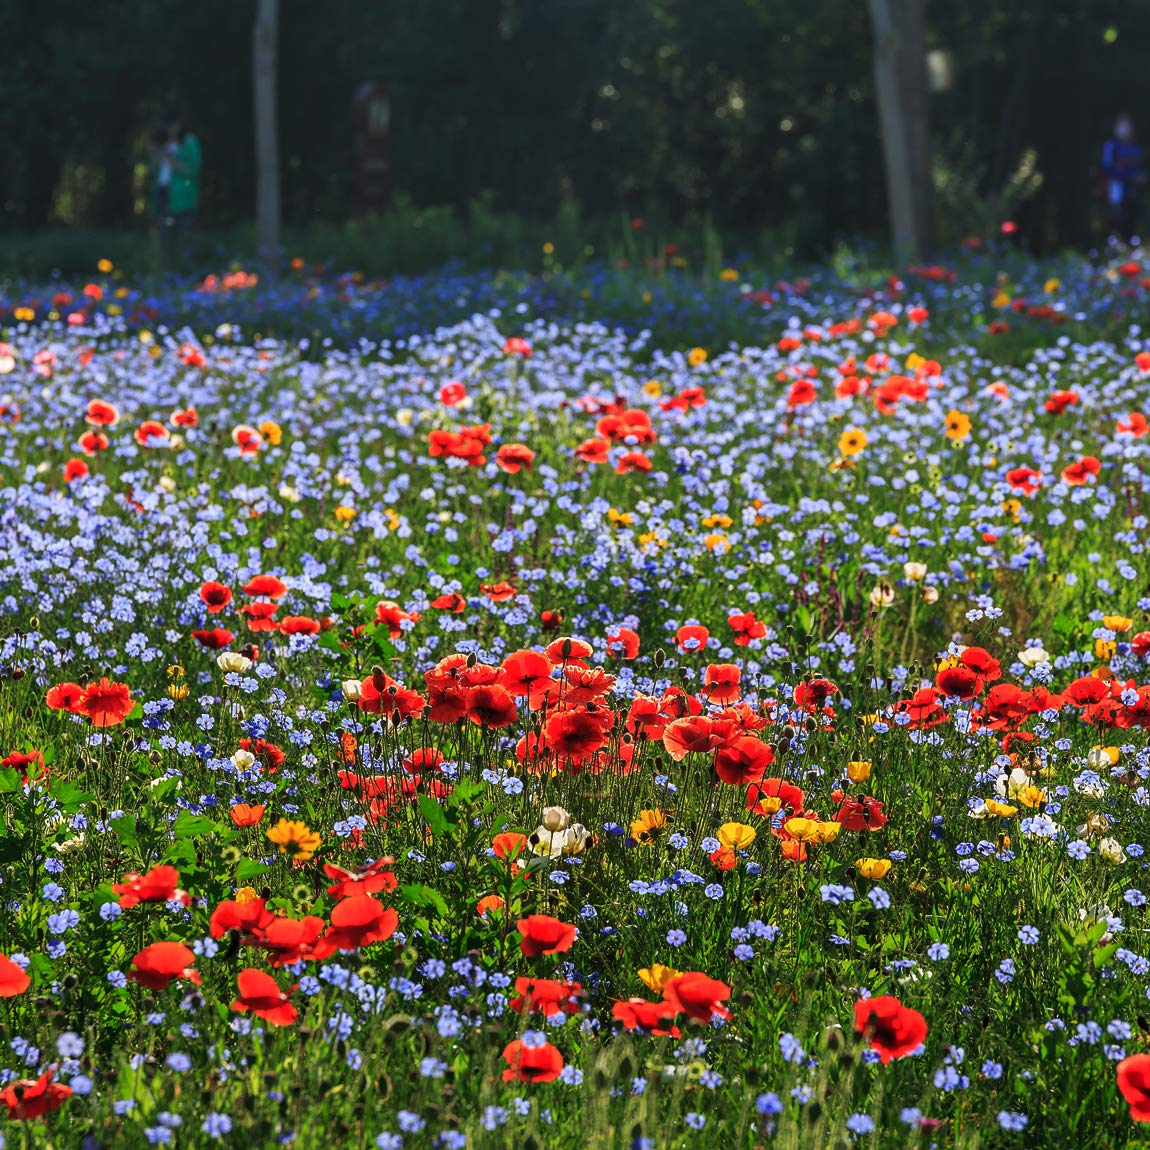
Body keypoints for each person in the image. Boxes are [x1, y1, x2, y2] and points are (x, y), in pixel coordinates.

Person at [151, 113, 202, 267]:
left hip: (182, 199)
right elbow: (154, 171)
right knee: (164, 238)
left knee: (184, 239)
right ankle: (166, 273)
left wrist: (173, 161)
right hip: (163, 196)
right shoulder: (163, 145)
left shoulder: (189, 142)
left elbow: (193, 170)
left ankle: (187, 274)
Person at [1102, 114, 1144, 242]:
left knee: (1133, 226)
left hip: (1134, 194)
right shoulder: (1112, 146)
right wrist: (1130, 177)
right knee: (1116, 225)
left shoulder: (1136, 147)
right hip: (1116, 194)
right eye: (1121, 126)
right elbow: (1107, 169)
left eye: (1127, 126)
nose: (1124, 129)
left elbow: (1140, 168)